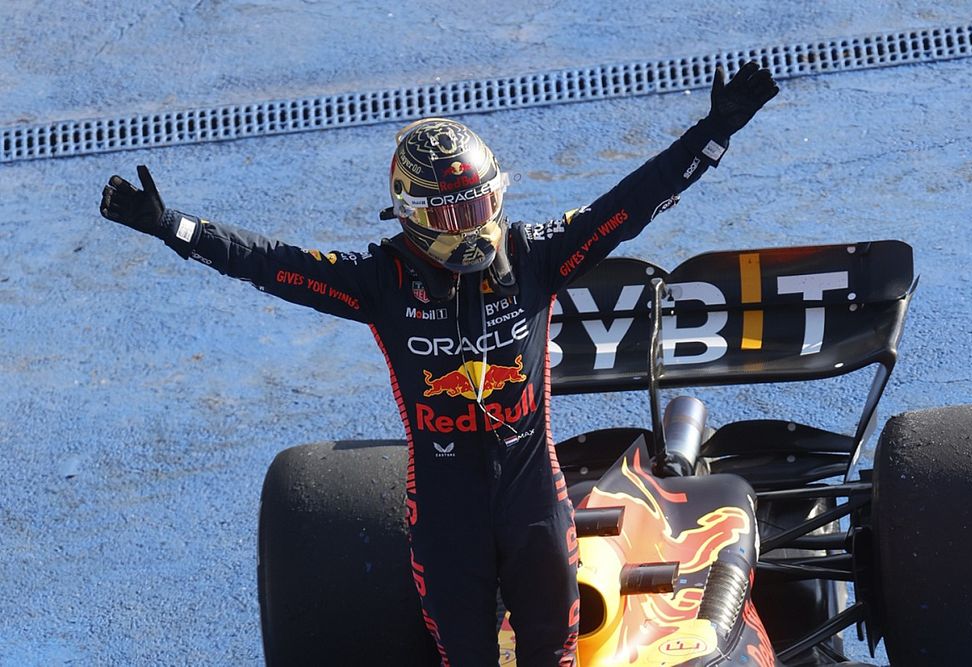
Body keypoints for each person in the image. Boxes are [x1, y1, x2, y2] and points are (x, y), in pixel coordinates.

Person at [99, 62, 778, 666]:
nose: (473, 225)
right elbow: (273, 263)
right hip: (444, 513)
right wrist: (175, 227)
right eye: (454, 212)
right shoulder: (380, 280)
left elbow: (628, 207)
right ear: (413, 213)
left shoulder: (538, 254)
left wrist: (712, 134)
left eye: (481, 205)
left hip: (533, 501)